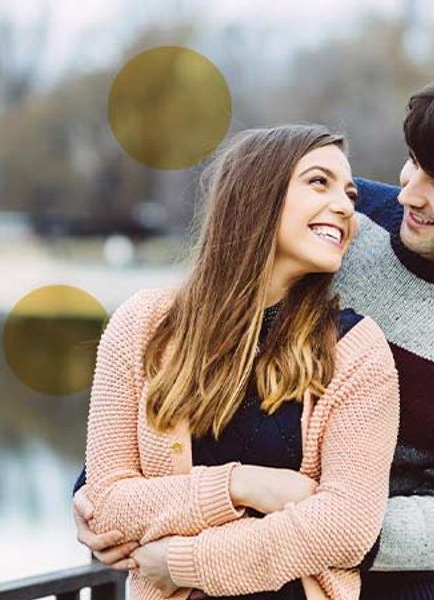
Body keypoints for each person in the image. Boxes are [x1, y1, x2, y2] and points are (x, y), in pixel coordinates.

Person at [75, 61, 434, 600]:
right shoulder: (342, 218)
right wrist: (115, 498)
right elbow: (209, 339)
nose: (410, 193)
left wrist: (291, 526)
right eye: (416, 163)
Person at [77, 124, 400, 600]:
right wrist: (242, 486)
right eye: (319, 182)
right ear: (257, 194)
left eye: (349, 192)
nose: (346, 206)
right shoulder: (143, 325)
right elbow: (105, 506)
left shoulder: (356, 349)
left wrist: (186, 562)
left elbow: (347, 525)